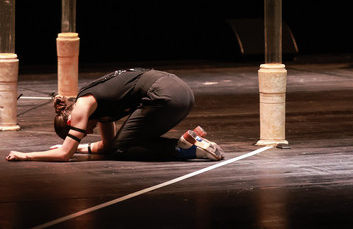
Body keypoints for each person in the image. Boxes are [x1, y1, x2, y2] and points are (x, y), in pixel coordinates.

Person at [6, 68, 224, 162]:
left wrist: (27, 155)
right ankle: (188, 142)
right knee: (120, 146)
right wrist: (80, 148)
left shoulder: (82, 105)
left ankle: (184, 149)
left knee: (123, 149)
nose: (87, 132)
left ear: (71, 121)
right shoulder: (100, 108)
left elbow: (64, 155)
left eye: (81, 133)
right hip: (180, 91)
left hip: (165, 95)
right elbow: (107, 145)